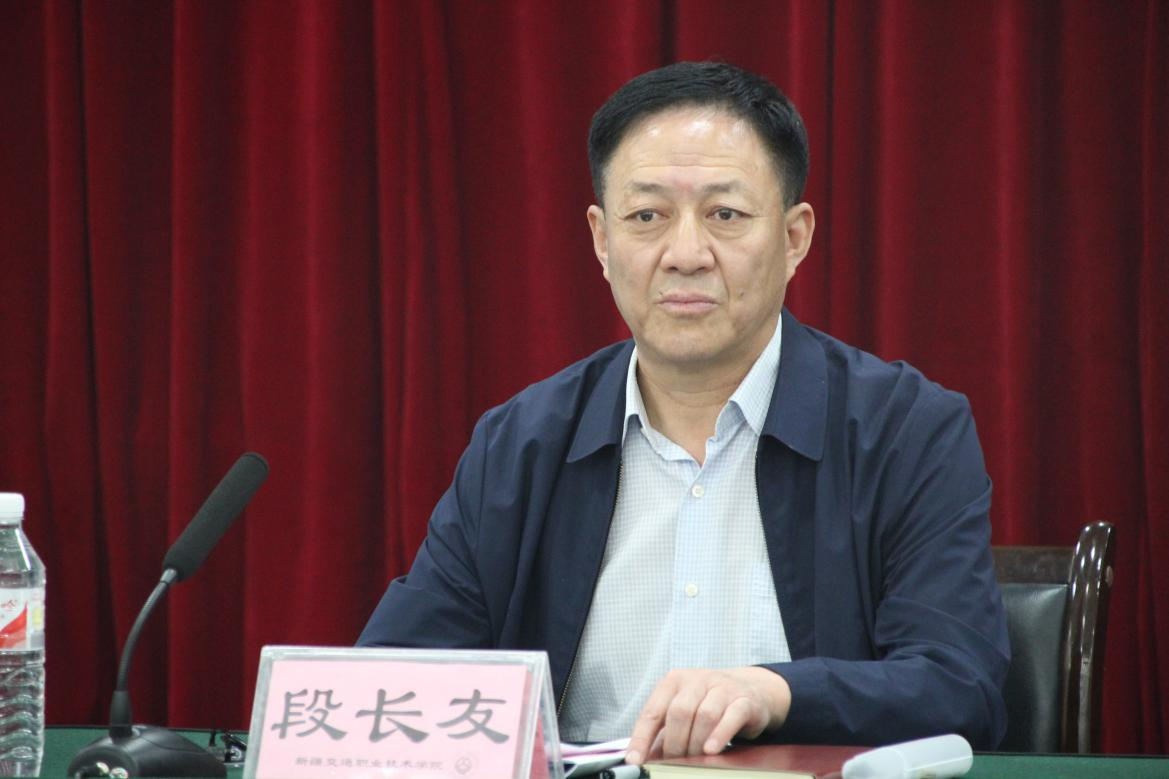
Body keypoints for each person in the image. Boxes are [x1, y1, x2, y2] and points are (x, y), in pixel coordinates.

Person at [358, 61, 1009, 763]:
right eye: (647, 217)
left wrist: (775, 692)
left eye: (725, 215)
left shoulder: (906, 430)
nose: (686, 254)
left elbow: (958, 685)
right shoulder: (520, 444)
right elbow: (393, 683)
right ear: (602, 240)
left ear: (794, 238)